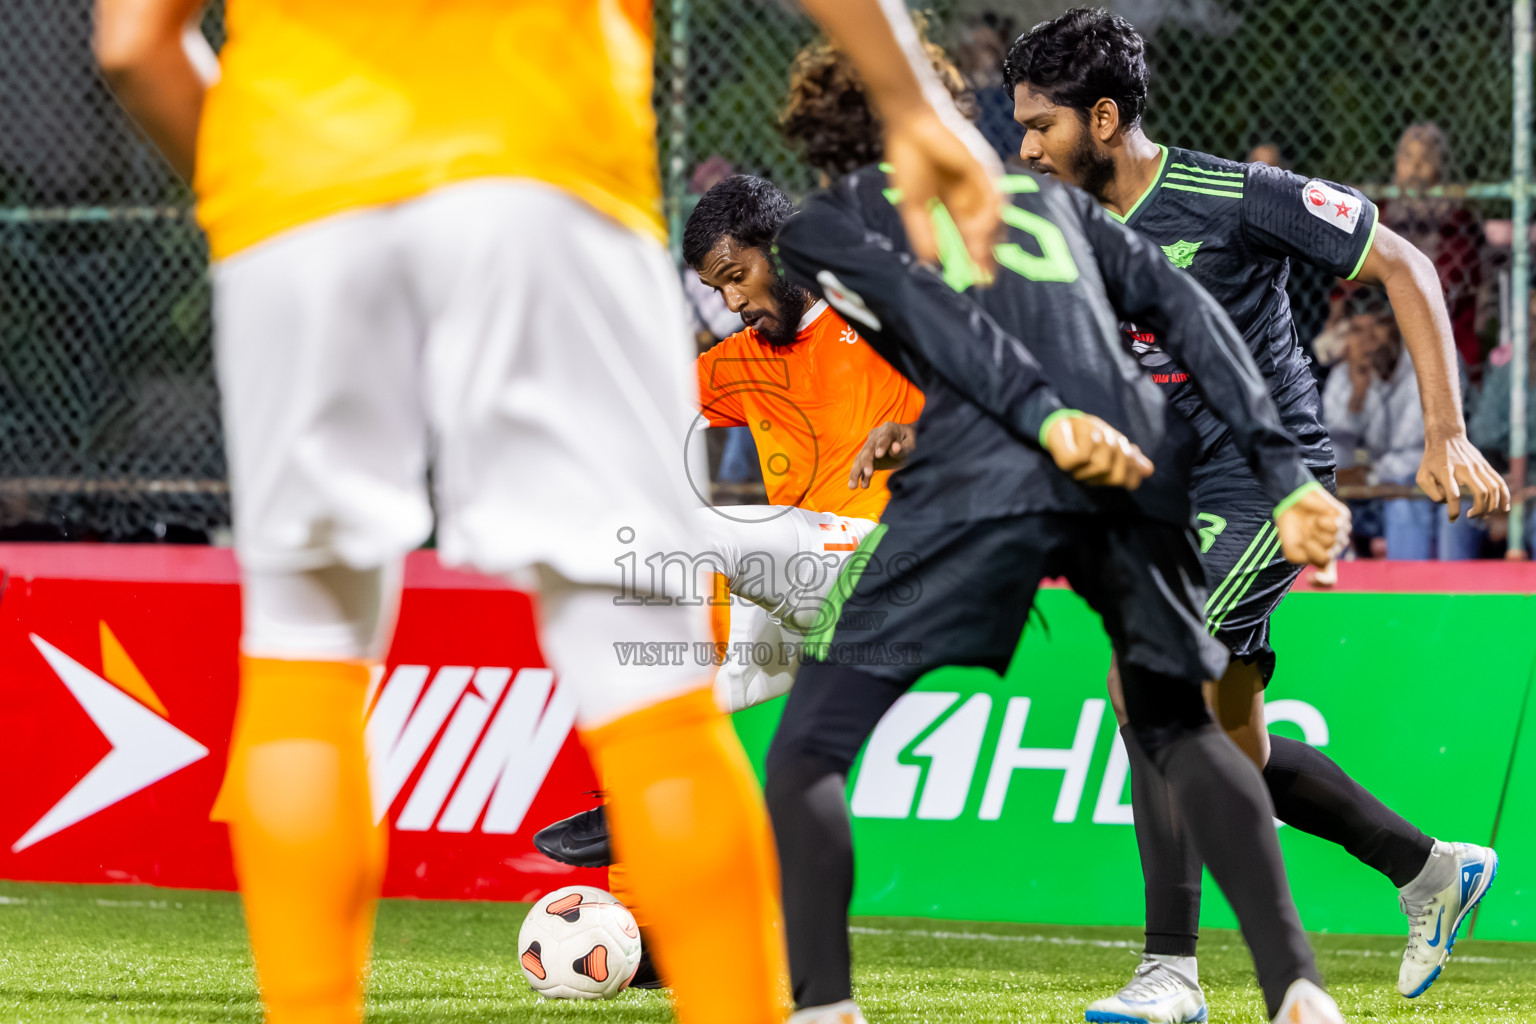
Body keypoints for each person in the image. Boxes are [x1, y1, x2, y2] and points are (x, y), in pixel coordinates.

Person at [92, 0, 1000, 1020]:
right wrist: (909, 100)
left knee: (305, 653)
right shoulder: (791, 319)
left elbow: (132, 43)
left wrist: (262, 191)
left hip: (290, 198)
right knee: (645, 662)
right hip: (545, 166)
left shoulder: (825, 327)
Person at [770, 149, 1354, 1024]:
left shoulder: (827, 222)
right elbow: (1189, 313)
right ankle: (1295, 984)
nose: (739, 300)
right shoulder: (1058, 205)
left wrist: (1044, 420)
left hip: (1002, 471)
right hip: (1134, 463)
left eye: (735, 278)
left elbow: (947, 327)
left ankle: (824, 1007)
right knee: (1183, 724)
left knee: (808, 747)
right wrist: (1286, 471)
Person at [1005, 10, 1505, 1020]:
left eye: (1040, 125)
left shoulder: (1234, 198)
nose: (1024, 148)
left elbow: (1404, 264)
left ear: (1104, 117)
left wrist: (1446, 432)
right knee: (1233, 752)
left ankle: (1170, 975)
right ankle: (1429, 869)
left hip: (1268, 484)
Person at [1322, 291, 1483, 559]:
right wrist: (1356, 398)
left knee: (1409, 502)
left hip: (1437, 478)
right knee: (1331, 475)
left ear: (1399, 326)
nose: (1368, 340)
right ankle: (1336, 578)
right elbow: (1336, 442)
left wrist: (1368, 475)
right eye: (1358, 330)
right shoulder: (1349, 371)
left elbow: (1415, 449)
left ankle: (1416, 593)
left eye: (1378, 327)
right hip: (1378, 481)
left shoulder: (1428, 362)